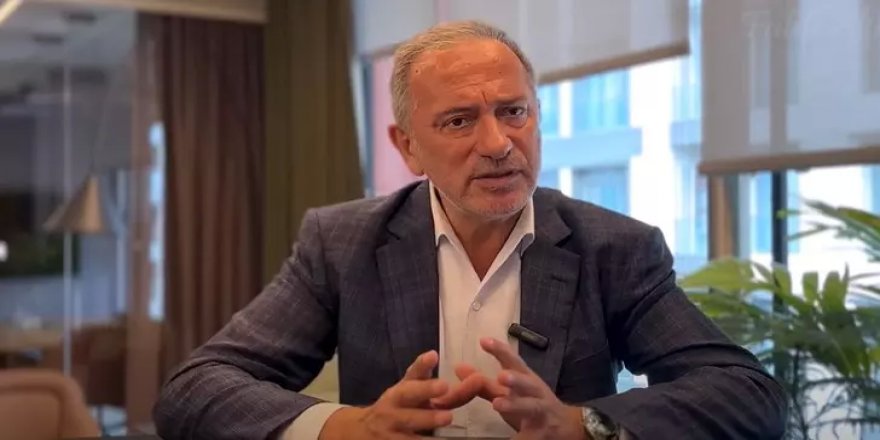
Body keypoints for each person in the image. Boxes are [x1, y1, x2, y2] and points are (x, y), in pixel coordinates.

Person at [154, 20, 787, 440]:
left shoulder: (614, 247)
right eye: (459, 121)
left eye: (513, 112)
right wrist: (350, 428)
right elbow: (194, 391)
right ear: (408, 147)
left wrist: (581, 426)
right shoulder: (343, 243)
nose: (498, 143)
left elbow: (747, 395)